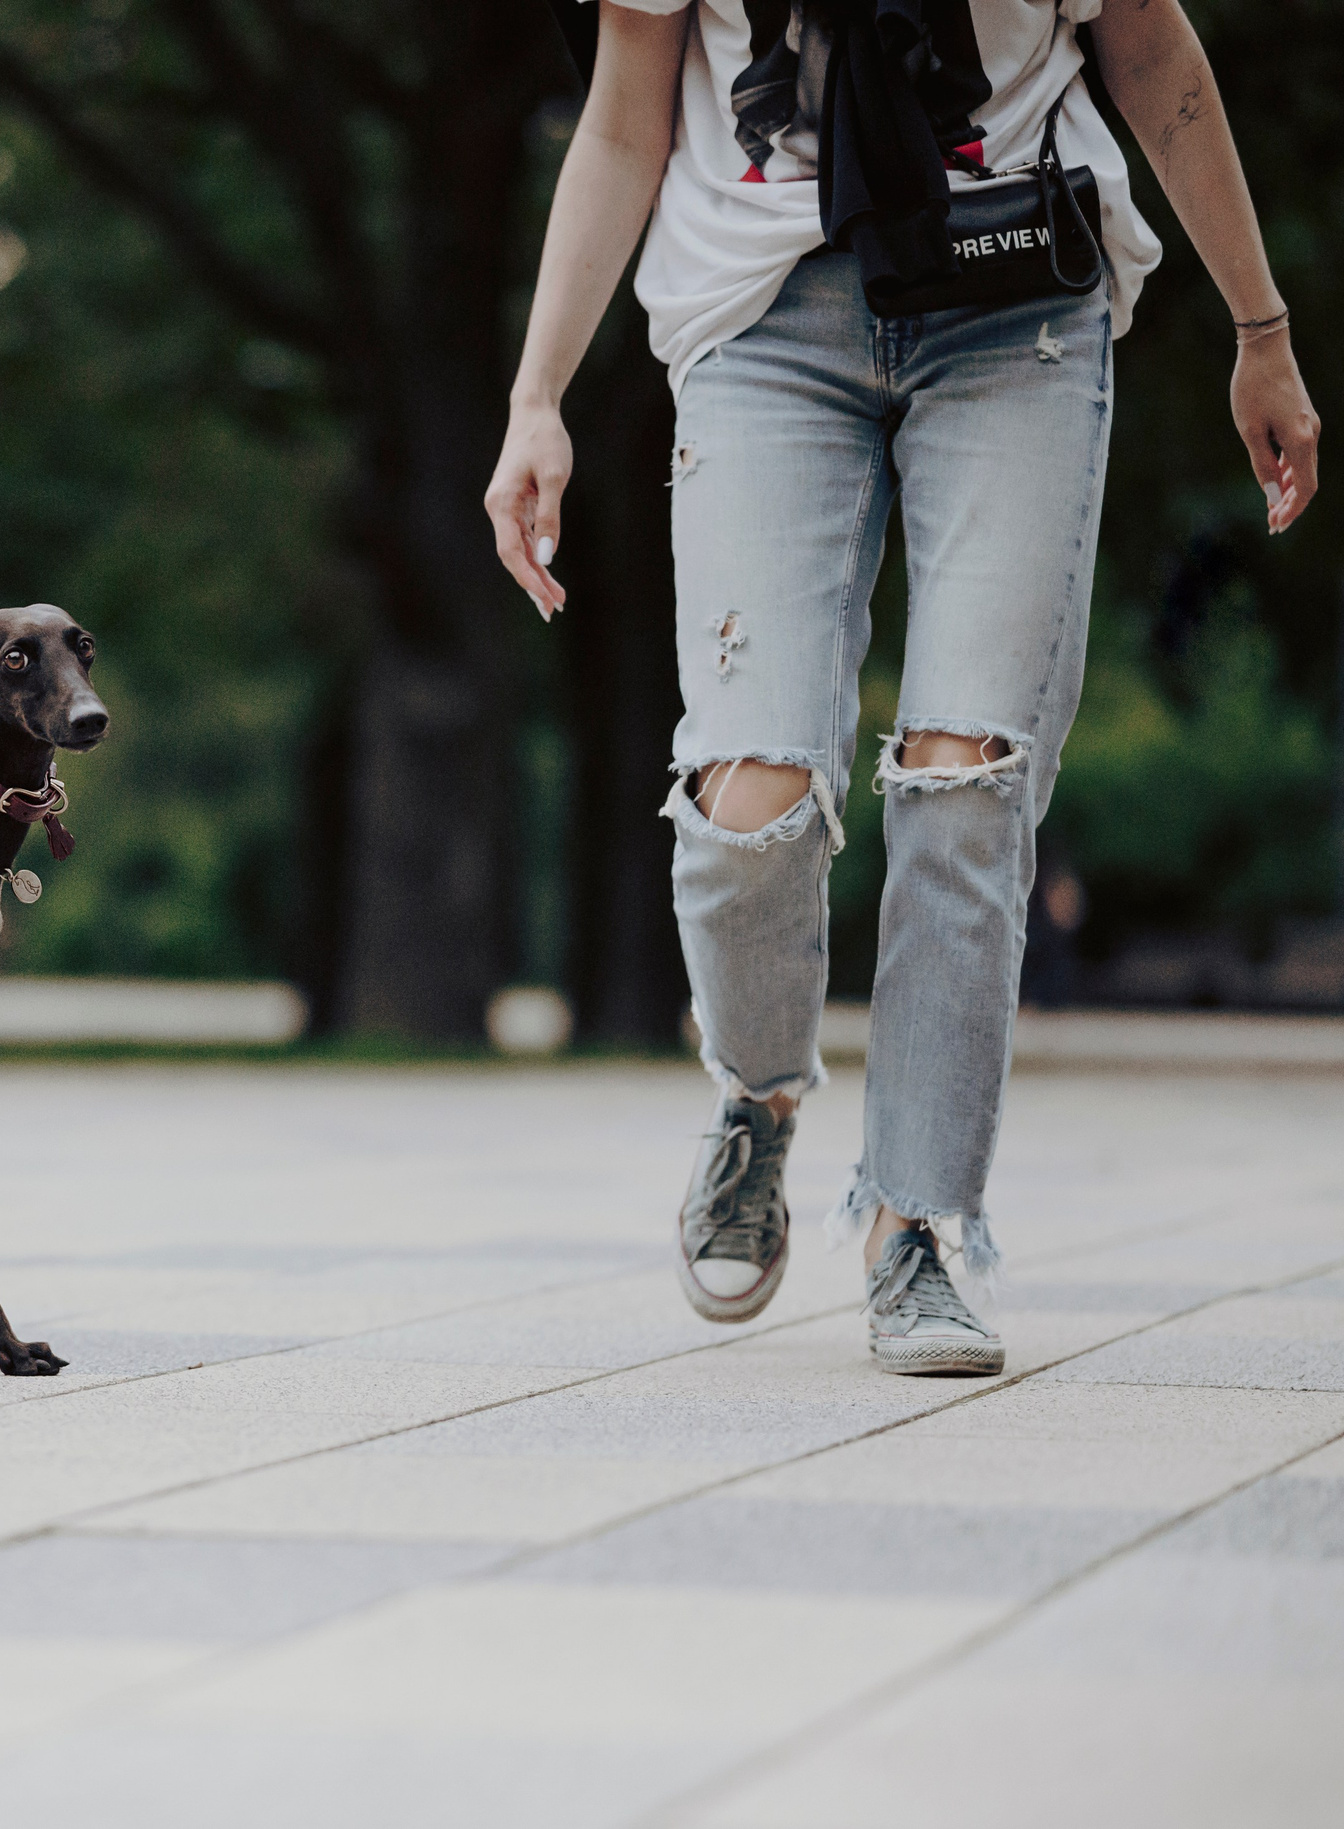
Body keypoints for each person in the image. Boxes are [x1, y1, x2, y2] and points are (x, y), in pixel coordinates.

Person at [483, 0, 1318, 1373]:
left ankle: (920, 1223)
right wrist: (538, 397)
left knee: (966, 785)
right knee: (748, 798)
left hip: (1014, 311)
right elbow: (627, 115)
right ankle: (756, 1098)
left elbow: (1154, 53)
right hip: (764, 323)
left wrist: (1261, 327)